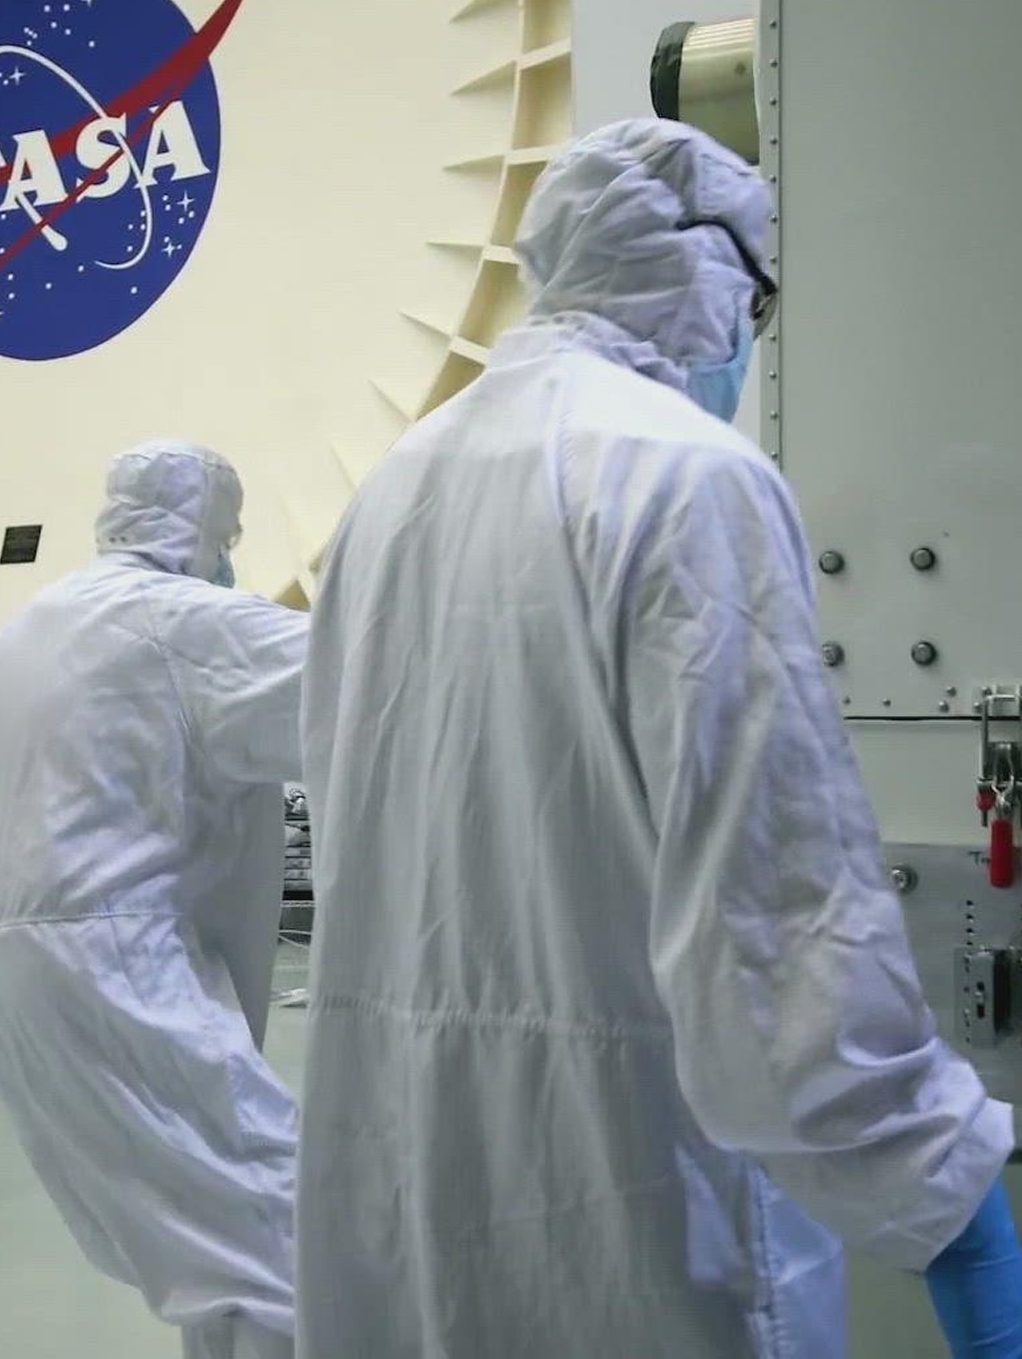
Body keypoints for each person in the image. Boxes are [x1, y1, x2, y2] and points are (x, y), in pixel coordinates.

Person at [295, 121, 1022, 1358]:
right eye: (760, 305)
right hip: (641, 1204)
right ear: (714, 272)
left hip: (419, 1176)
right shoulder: (686, 475)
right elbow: (778, 917)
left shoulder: (399, 486)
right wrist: (939, 1185)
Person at [0, 441, 308, 1359]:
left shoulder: (21, 633)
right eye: (230, 534)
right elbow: (381, 689)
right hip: (120, 970)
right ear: (207, 526)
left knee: (207, 1236)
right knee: (289, 1227)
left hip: (8, 972)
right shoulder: (181, 623)